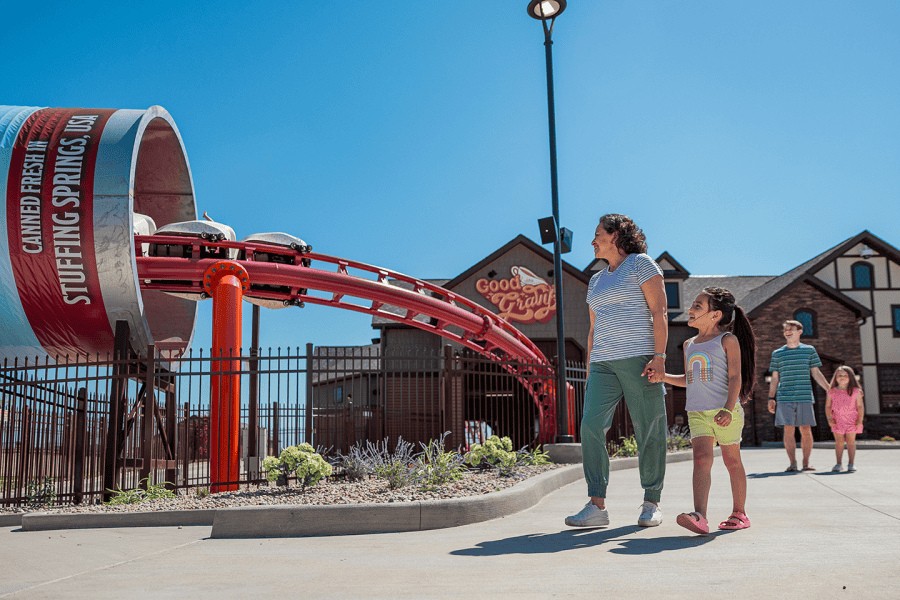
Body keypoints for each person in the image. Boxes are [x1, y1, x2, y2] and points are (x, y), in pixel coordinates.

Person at [565, 214, 668, 528]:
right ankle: (597, 505)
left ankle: (651, 502)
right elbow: (594, 328)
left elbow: (659, 311)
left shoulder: (641, 264)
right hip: (603, 363)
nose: (593, 241)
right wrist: (589, 366)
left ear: (617, 236)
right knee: (591, 426)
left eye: (598, 234)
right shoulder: (595, 281)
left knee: (648, 427)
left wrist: (660, 356)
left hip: (639, 359)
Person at [653, 288, 756, 534]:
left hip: (725, 411)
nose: (690, 309)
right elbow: (691, 379)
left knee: (732, 461)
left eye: (698, 306)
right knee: (701, 460)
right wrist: (663, 376)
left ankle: (739, 513)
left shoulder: (727, 340)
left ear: (715, 315)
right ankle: (700, 516)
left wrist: (729, 409)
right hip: (697, 412)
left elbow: (735, 377)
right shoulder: (689, 344)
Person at [767, 320, 830, 472]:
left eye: (791, 329)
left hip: (804, 396)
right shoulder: (777, 353)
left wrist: (830, 390)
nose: (787, 332)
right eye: (785, 330)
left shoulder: (809, 350)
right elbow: (775, 378)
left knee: (806, 429)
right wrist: (771, 398)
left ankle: (806, 462)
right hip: (784, 397)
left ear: (800, 331)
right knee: (788, 430)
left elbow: (816, 373)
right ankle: (793, 463)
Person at [826, 366, 864, 473]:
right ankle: (838, 464)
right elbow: (828, 406)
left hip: (852, 420)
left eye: (845, 375)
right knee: (839, 442)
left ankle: (851, 464)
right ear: (835, 377)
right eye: (840, 375)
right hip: (837, 420)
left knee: (851, 442)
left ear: (850, 377)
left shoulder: (856, 391)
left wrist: (860, 420)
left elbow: (860, 406)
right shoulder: (832, 391)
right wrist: (829, 418)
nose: (842, 377)